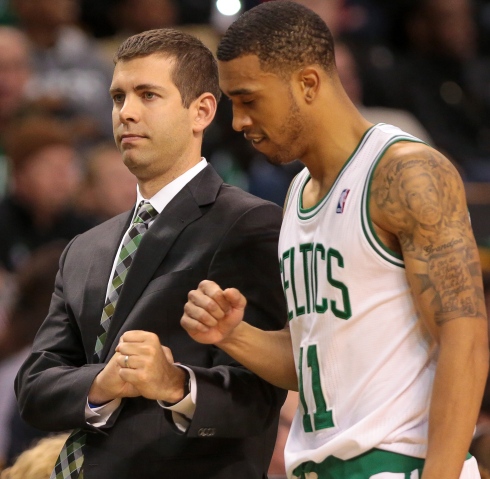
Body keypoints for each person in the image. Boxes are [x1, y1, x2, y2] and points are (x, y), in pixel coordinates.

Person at [181, 2, 489, 479]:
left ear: (307, 83)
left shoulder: (405, 171)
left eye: (249, 99)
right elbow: (317, 359)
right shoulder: (298, 195)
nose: (239, 121)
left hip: (400, 464)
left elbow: (465, 338)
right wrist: (235, 336)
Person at [15, 28, 287, 479]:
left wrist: (175, 384)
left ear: (201, 111)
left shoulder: (247, 224)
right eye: (118, 97)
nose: (127, 113)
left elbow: (259, 400)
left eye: (148, 95)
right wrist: (102, 383)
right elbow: (34, 389)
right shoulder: (85, 248)